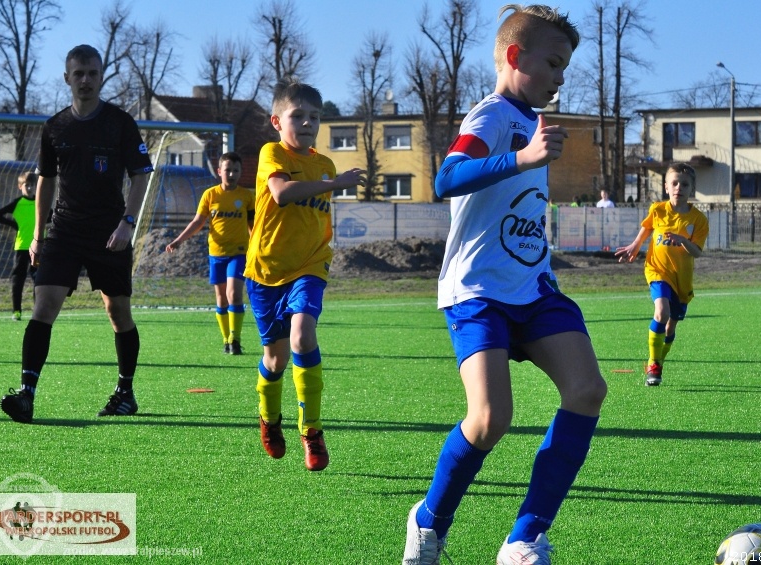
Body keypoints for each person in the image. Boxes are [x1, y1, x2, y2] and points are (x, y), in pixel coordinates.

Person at [402, 6, 607, 565]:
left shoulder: (533, 122)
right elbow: (447, 178)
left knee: (587, 390)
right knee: (490, 419)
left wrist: (530, 154)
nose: (561, 78)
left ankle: (524, 539)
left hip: (535, 288)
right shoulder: (492, 115)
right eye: (554, 63)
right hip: (478, 292)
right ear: (515, 57)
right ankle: (428, 522)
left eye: (566, 67)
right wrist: (522, 157)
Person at [0, 44, 153, 423]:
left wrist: (127, 223)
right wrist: (38, 234)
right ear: (67, 78)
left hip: (110, 232)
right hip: (64, 231)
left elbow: (140, 176)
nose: (85, 80)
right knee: (44, 306)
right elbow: (46, 182)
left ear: (101, 77)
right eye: (79, 74)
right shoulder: (54, 127)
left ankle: (125, 392)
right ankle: (27, 394)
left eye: (92, 73)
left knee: (117, 312)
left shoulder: (119, 123)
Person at [247, 77, 366, 472]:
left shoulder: (324, 164)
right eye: (297, 115)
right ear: (277, 121)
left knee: (302, 335)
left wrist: (332, 181)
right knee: (275, 360)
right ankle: (269, 418)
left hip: (310, 267)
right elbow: (281, 193)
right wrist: (334, 183)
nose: (307, 123)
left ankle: (311, 431)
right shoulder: (272, 153)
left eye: (314, 117)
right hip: (265, 271)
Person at [614, 163, 709, 386]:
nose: (679, 188)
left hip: (681, 280)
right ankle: (654, 363)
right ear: (666, 187)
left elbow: (697, 252)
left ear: (692, 188)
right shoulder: (658, 209)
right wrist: (635, 245)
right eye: (674, 183)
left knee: (670, 327)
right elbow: (648, 227)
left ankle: (658, 361)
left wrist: (683, 241)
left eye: (684, 184)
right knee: (661, 312)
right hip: (657, 270)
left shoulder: (698, 220)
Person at [165, 152, 254, 355]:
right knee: (221, 299)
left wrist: (259, 247)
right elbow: (198, 222)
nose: (232, 174)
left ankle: (235, 339)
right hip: (216, 253)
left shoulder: (246, 196)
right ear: (219, 171)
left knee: (234, 294)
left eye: (236, 170)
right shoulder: (210, 195)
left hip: (239, 253)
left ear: (240, 172)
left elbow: (253, 225)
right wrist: (179, 240)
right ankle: (226, 339)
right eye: (228, 170)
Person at [0, 171, 43, 321]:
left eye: (32, 185)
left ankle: (37, 312)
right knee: (18, 279)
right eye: (26, 185)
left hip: (38, 248)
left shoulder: (41, 202)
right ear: (19, 186)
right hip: (21, 247)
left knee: (39, 280)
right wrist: (15, 225)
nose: (29, 188)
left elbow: (51, 216)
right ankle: (16, 311)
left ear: (36, 187)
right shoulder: (17, 203)